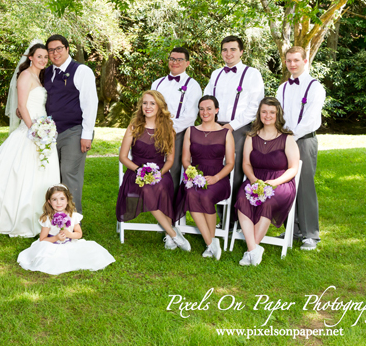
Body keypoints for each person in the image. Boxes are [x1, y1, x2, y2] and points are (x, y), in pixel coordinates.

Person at [0, 42, 60, 237]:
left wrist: (44, 131)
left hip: (44, 129)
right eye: (39, 56)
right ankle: (17, 216)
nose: (43, 60)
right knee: (20, 173)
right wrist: (35, 131)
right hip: (30, 129)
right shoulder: (26, 75)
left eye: (46, 57)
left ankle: (45, 217)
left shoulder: (40, 76)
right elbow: (22, 107)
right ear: (30, 57)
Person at [116, 90, 191, 251]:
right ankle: (173, 233)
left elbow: (170, 160)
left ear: (159, 106)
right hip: (136, 173)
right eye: (145, 103)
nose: (148, 107)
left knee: (161, 187)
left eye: (152, 103)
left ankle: (170, 233)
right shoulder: (134, 127)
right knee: (148, 189)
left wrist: (159, 173)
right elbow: (123, 157)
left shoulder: (168, 130)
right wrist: (140, 171)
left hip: (160, 172)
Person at [234, 97, 300, 266]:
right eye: (264, 112)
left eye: (272, 112)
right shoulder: (251, 136)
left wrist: (273, 183)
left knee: (267, 201)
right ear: (259, 114)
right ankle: (254, 249)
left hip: (280, 182)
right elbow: (246, 164)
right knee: (242, 198)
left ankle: (251, 250)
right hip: (255, 179)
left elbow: (293, 168)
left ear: (277, 115)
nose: (268, 115)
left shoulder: (287, 138)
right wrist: (254, 181)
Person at [276, 46, 325, 251]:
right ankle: (291, 230)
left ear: (305, 61)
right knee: (286, 185)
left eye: (296, 60)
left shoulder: (315, 87)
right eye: (289, 61)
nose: (292, 64)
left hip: (304, 140)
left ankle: (310, 234)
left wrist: (291, 138)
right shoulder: (282, 88)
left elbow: (311, 119)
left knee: (304, 186)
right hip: (284, 141)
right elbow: (277, 114)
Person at [203, 35, 264, 202]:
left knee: (236, 171)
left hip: (240, 128)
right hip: (214, 127)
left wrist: (231, 125)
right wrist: (211, 122)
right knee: (214, 168)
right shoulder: (216, 74)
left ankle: (234, 218)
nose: (228, 53)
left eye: (233, 49)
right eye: (224, 50)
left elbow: (255, 106)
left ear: (241, 52)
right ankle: (220, 218)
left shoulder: (252, 74)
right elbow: (207, 98)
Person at [174, 95, 235, 260]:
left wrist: (215, 178)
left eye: (209, 108)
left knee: (206, 195)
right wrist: (193, 173)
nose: (205, 112)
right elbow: (185, 160)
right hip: (195, 175)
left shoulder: (225, 133)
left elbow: (230, 163)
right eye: (201, 109)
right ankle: (211, 243)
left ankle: (211, 243)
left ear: (216, 110)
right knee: (192, 194)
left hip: (218, 178)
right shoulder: (191, 131)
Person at [44, 34, 98, 213]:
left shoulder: (82, 71)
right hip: (50, 133)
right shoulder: (47, 72)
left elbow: (90, 104)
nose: (55, 53)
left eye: (59, 48)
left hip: (74, 130)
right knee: (53, 175)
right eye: (51, 50)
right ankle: (55, 217)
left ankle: (74, 220)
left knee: (69, 173)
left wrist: (86, 135)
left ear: (67, 49)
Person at [17, 185, 115, 275]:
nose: (58, 202)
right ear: (49, 202)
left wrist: (69, 234)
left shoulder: (73, 215)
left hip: (70, 244)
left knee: (90, 253)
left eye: (62, 199)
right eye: (54, 199)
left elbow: (79, 234)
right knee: (48, 261)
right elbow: (42, 239)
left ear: (67, 200)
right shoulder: (47, 218)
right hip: (52, 245)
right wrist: (56, 237)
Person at [151, 47, 203, 190]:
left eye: (179, 59)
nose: (175, 62)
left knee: (173, 171)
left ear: (187, 63)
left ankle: (173, 209)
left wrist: (168, 130)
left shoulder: (193, 85)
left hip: (178, 134)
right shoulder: (157, 83)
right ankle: (156, 202)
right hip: (155, 132)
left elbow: (190, 116)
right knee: (154, 166)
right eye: (172, 59)